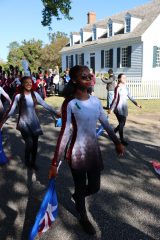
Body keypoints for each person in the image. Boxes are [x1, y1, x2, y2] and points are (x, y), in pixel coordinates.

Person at [49, 65, 124, 235]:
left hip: (93, 151)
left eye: (89, 75)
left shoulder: (96, 101)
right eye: (84, 76)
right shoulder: (70, 104)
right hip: (76, 152)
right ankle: (83, 217)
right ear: (74, 81)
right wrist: (55, 163)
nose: (89, 78)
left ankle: (78, 196)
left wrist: (117, 142)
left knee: (95, 187)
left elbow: (105, 124)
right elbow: (64, 133)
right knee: (81, 186)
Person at [0, 76, 59, 170]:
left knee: (35, 144)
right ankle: (27, 161)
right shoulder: (18, 96)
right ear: (22, 84)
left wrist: (57, 113)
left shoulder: (35, 94)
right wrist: (2, 121)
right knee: (29, 143)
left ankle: (33, 162)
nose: (29, 84)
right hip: (23, 123)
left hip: (34, 122)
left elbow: (45, 105)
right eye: (26, 82)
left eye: (30, 82)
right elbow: (11, 111)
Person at [109, 73, 142, 146]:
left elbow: (130, 96)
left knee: (122, 123)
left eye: (125, 78)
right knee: (121, 123)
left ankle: (113, 133)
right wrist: (111, 109)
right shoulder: (117, 88)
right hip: (118, 108)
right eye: (123, 78)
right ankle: (121, 140)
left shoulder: (126, 87)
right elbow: (115, 99)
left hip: (124, 107)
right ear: (119, 79)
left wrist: (136, 104)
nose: (125, 79)